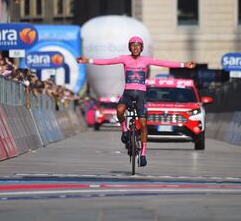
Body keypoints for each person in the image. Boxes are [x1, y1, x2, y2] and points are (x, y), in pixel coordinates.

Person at [77, 36, 196, 167]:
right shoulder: (124, 58)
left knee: (143, 124)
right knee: (119, 111)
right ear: (129, 48)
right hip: (127, 94)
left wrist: (184, 64)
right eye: (133, 46)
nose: (135, 48)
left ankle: (143, 153)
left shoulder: (146, 60)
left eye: (138, 46)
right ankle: (124, 130)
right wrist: (87, 60)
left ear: (142, 48)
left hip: (141, 95)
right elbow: (106, 61)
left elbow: (164, 63)